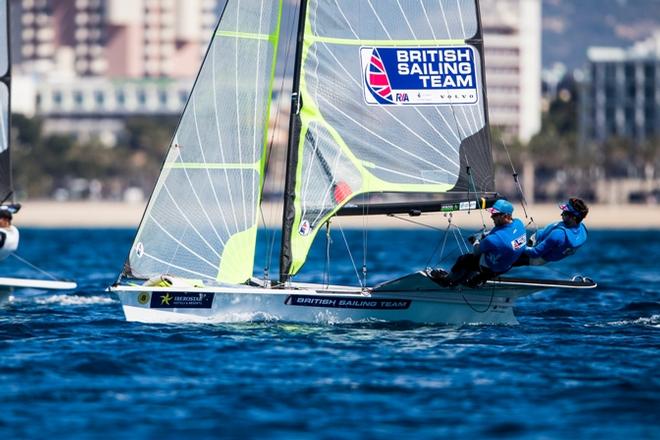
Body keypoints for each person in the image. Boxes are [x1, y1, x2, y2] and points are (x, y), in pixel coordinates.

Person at [431, 199, 527, 287]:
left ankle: (447, 281)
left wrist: (476, 240)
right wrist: (484, 235)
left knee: (465, 259)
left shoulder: (494, 239)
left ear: (505, 216)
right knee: (488, 258)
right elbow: (504, 234)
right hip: (507, 266)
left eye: (495, 215)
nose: (491, 217)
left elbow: (477, 250)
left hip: (492, 268)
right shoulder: (518, 224)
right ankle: (477, 280)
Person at [514, 198, 588, 267]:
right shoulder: (583, 229)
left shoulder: (558, 234)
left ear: (574, 217)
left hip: (535, 255)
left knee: (509, 259)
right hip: (539, 248)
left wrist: (516, 245)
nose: (561, 214)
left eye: (565, 213)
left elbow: (535, 253)